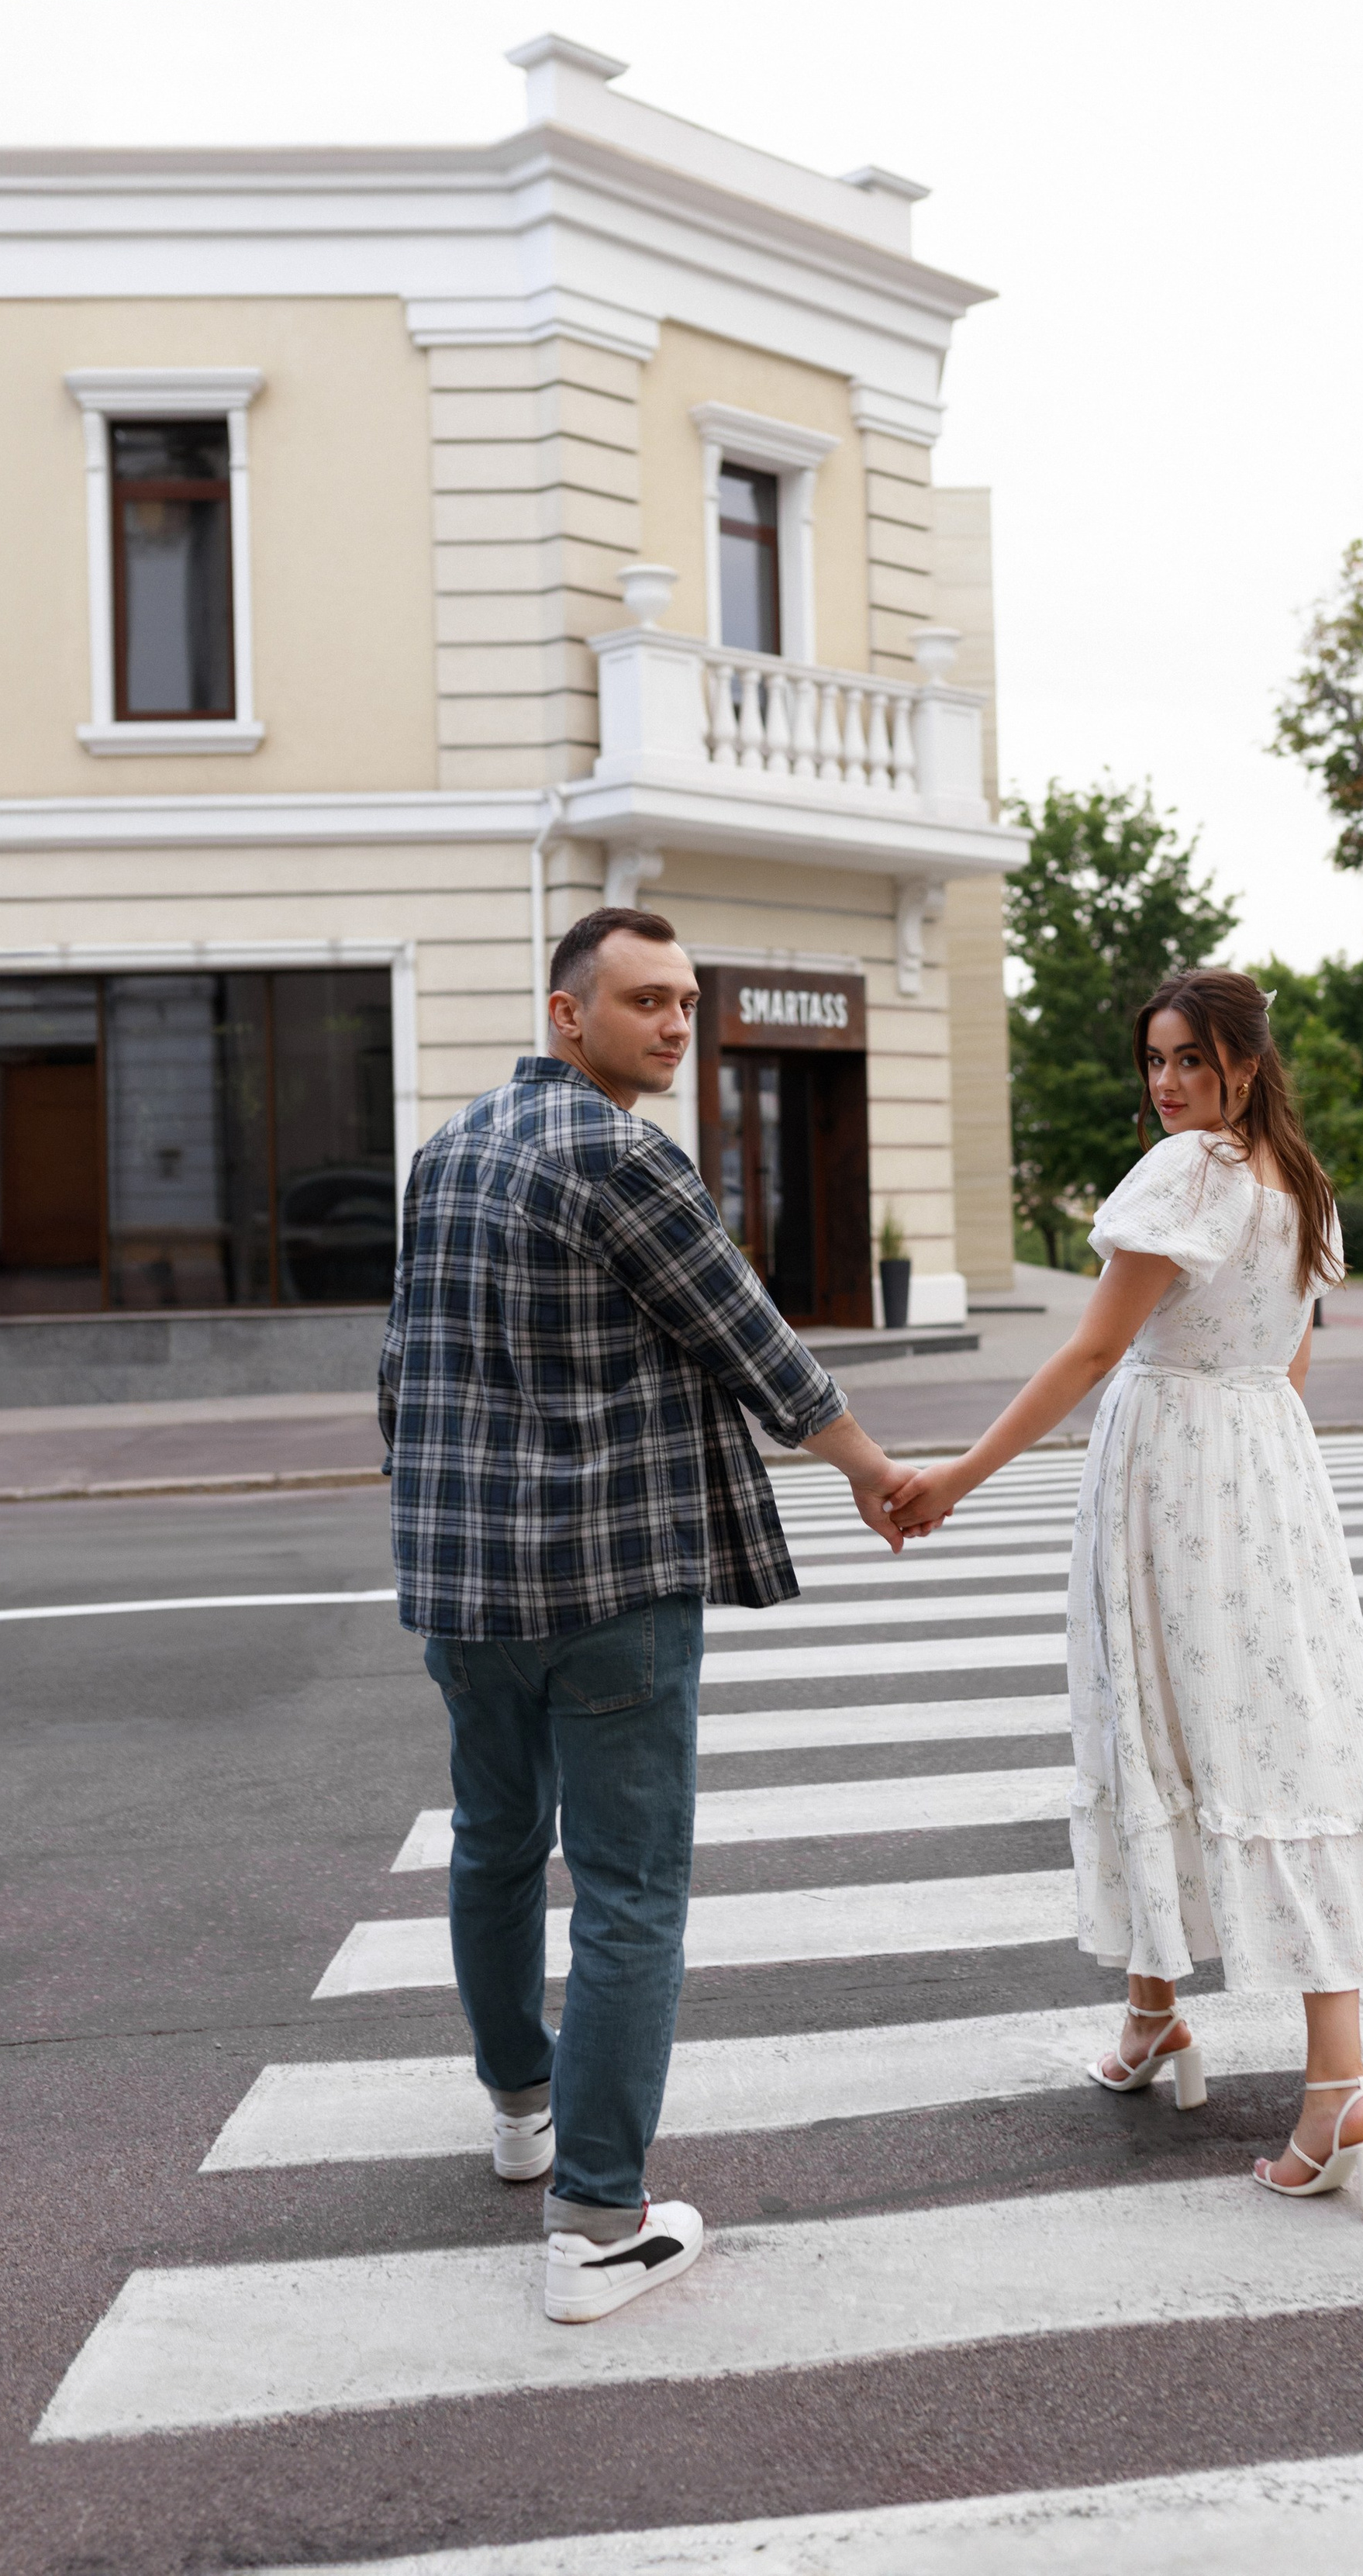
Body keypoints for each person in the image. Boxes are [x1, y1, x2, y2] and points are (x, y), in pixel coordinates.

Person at [380, 904, 909, 2322]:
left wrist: (426, 1514)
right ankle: (598, 2224)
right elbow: (751, 1340)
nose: (676, 1024)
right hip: (608, 1578)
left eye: (684, 1000)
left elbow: (402, 1363)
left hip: (464, 1581)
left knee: (496, 1842)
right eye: (645, 1002)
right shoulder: (622, 1155)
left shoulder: (446, 1150)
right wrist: (875, 1474)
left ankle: (523, 2111)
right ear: (568, 1014)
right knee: (629, 1890)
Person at [889, 966, 1363, 2213]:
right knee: (1272, 1736)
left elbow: (1096, 1348)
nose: (1166, 1083)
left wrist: (959, 1476)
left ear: (1245, 1066)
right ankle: (1164, 2017)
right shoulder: (1299, 1183)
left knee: (1184, 1734)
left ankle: (1334, 2086)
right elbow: (1290, 1365)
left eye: (1191, 1060)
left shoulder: (1189, 1174)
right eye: (1154, 1060)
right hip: (1268, 1477)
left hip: (1172, 1476)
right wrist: (1261, 1494)